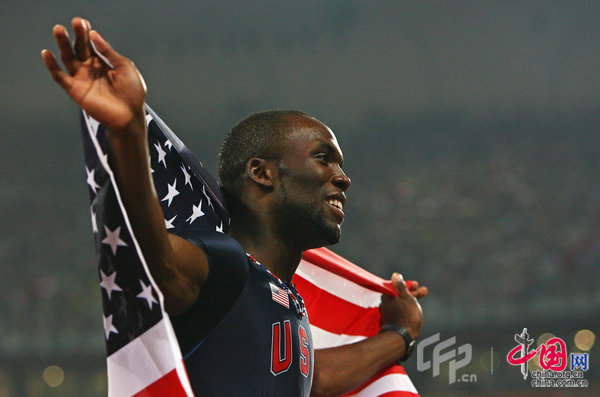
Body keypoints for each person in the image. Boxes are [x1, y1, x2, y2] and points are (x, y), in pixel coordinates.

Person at [42, 17, 428, 396]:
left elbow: (317, 381)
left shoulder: (283, 294)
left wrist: (401, 334)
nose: (343, 178)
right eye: (323, 158)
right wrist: (128, 135)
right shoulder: (226, 262)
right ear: (262, 173)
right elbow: (159, 268)